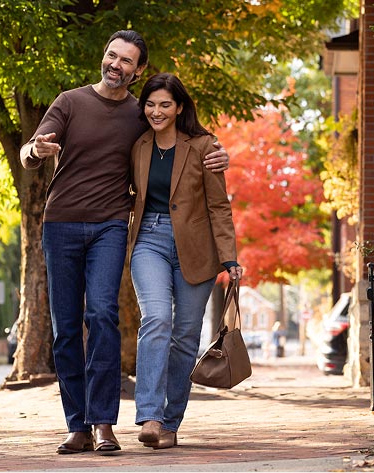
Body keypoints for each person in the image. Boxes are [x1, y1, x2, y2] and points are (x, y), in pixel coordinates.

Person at [19, 31, 229, 455]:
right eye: (111, 55)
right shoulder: (70, 101)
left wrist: (219, 155)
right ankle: (75, 424)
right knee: (64, 328)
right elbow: (32, 150)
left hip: (112, 226)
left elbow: (181, 138)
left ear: (138, 71)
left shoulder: (141, 114)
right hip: (60, 224)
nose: (116, 64)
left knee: (101, 315)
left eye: (126, 60)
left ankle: (102, 424)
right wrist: (35, 150)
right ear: (104, 57)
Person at [129, 73, 243, 450]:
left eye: (165, 104)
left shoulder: (204, 147)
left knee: (184, 337)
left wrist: (229, 258)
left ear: (179, 107)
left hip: (196, 248)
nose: (156, 111)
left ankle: (171, 421)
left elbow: (218, 207)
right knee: (157, 318)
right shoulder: (137, 144)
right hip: (149, 239)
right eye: (150, 104)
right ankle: (149, 415)